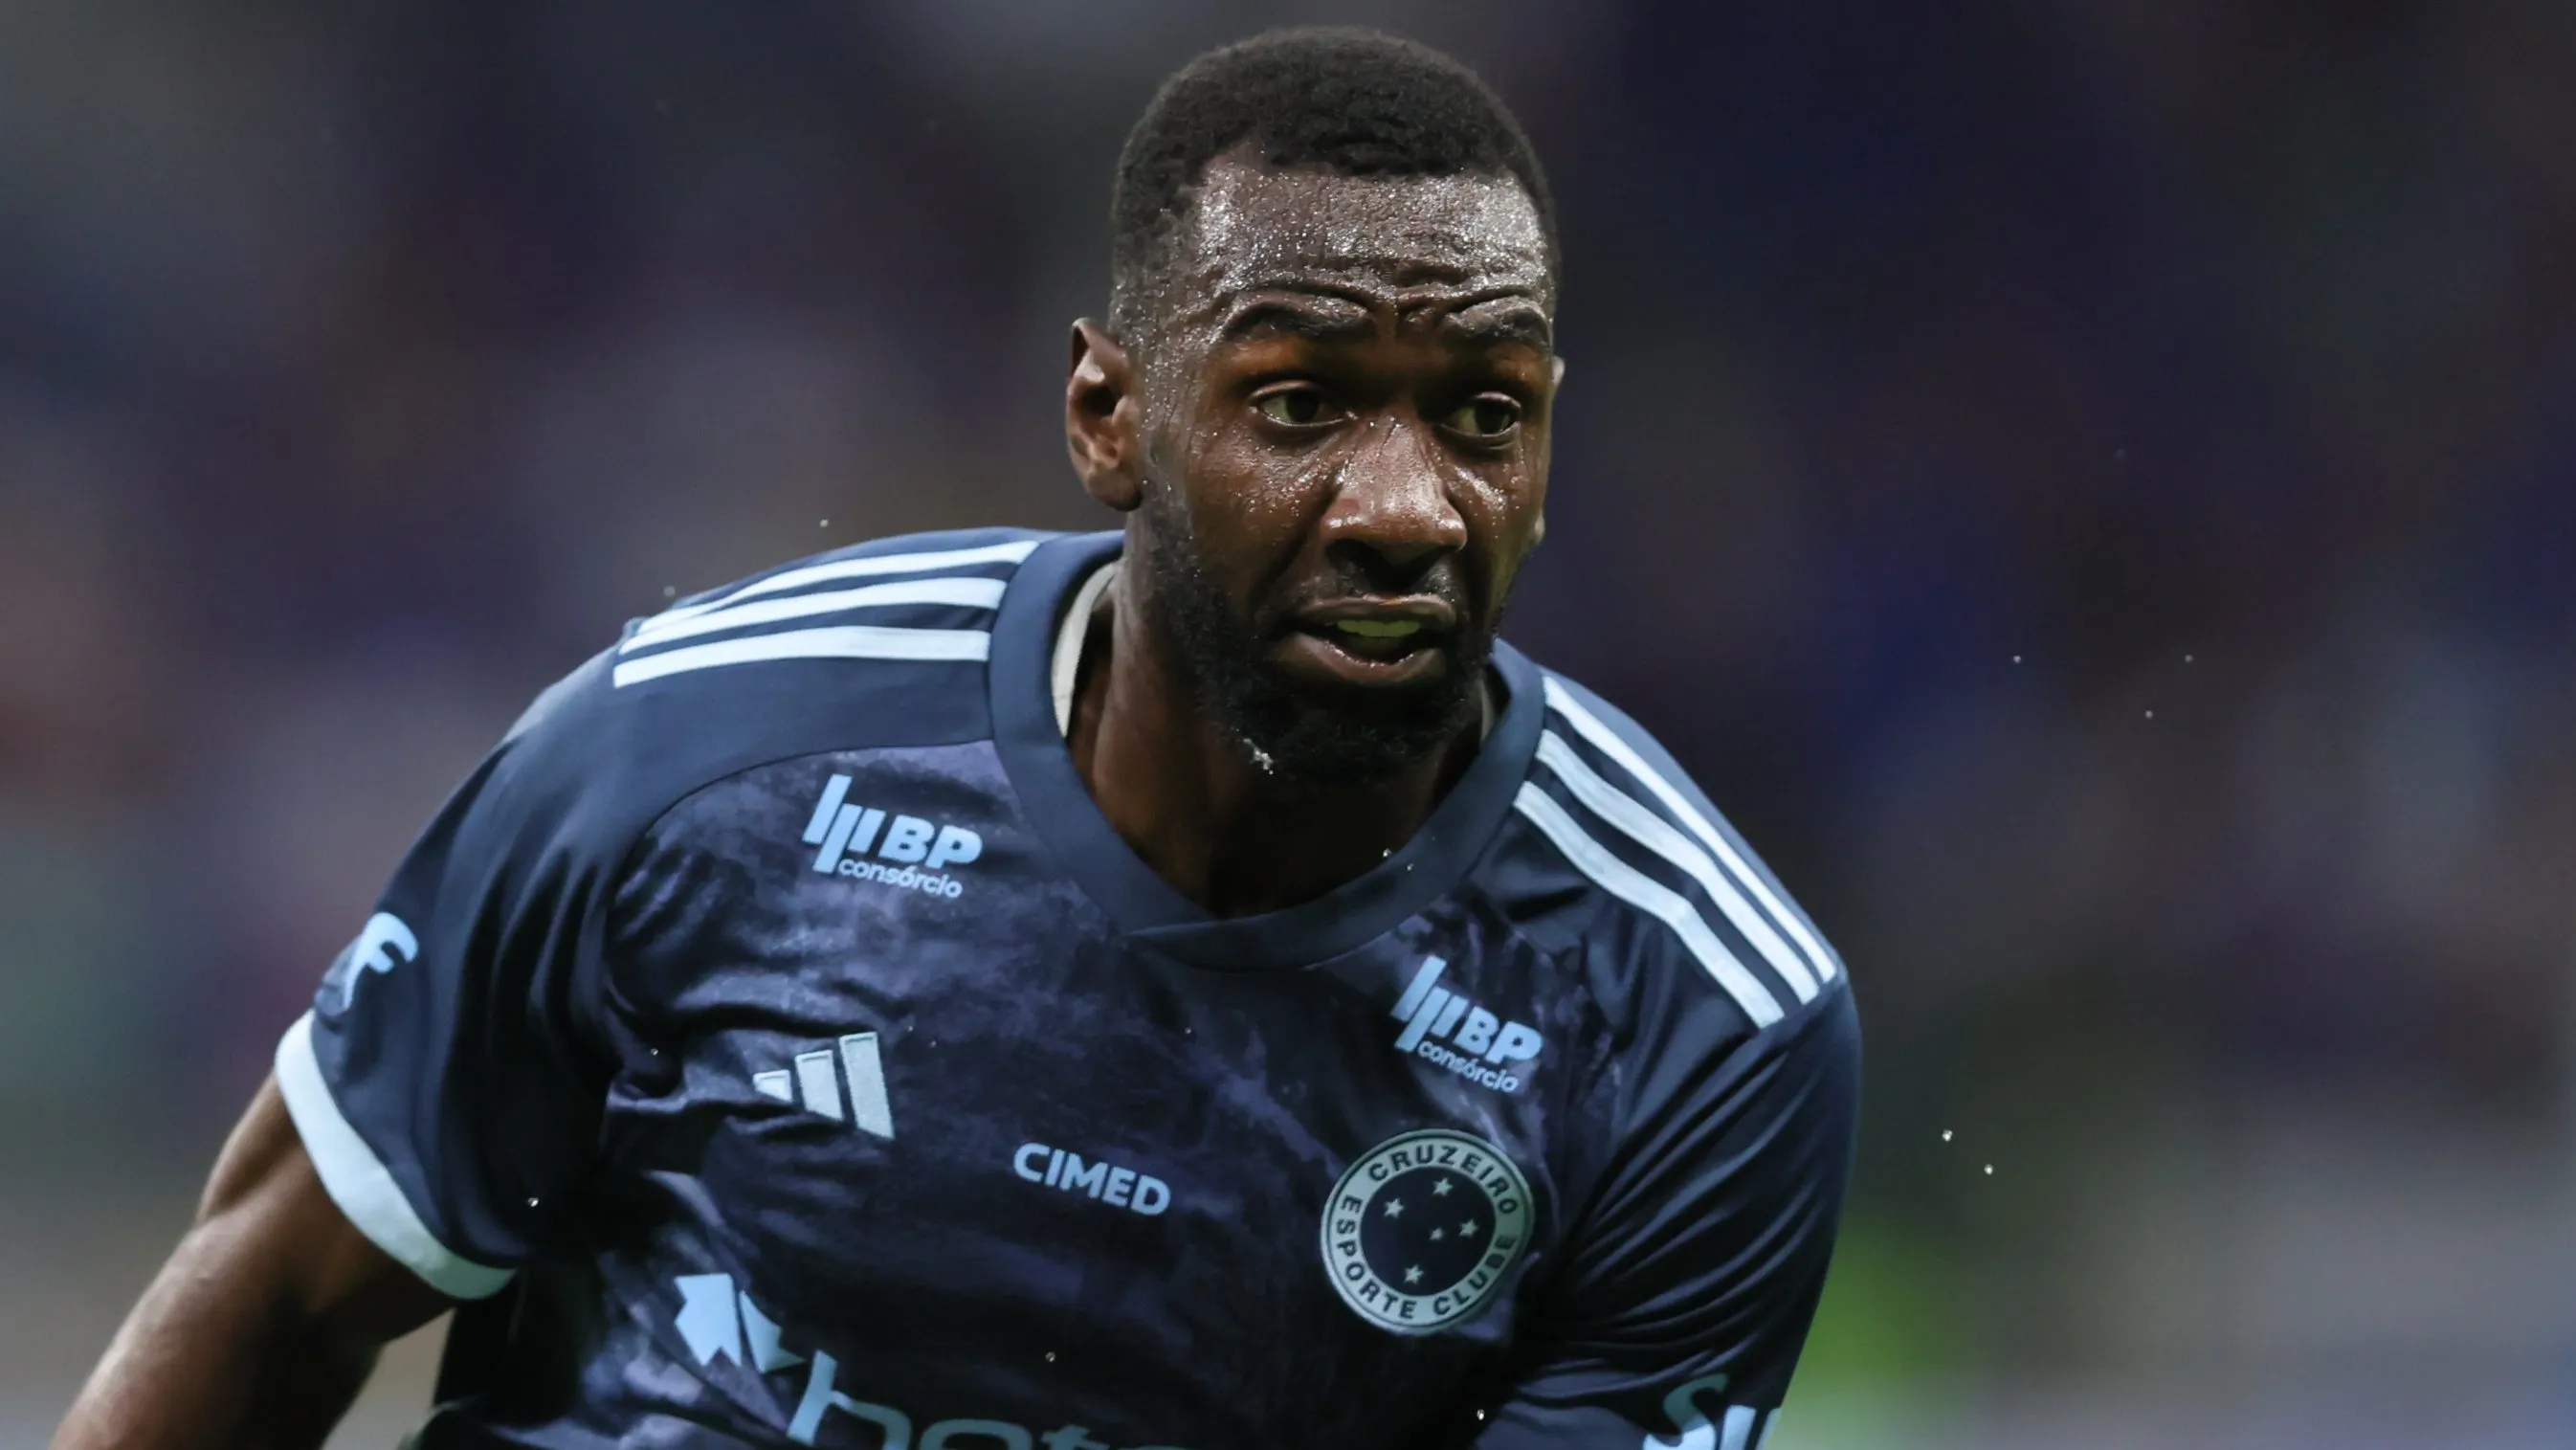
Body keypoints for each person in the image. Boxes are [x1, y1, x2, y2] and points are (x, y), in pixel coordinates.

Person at [56, 27, 1856, 1450]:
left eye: (1482, 413)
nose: (1408, 502)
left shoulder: (1697, 1019)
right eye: (1299, 402)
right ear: (1109, 416)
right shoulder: (697, 758)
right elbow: (272, 1297)